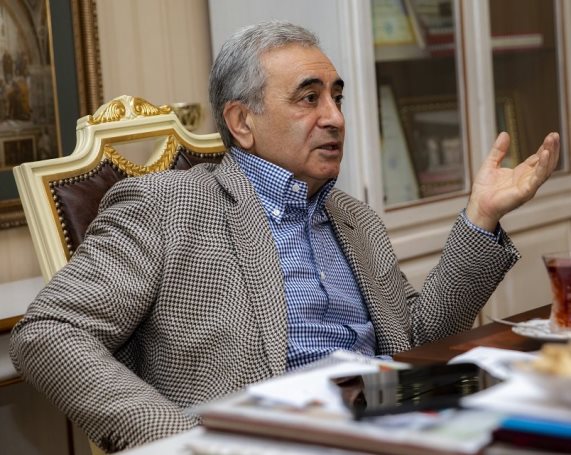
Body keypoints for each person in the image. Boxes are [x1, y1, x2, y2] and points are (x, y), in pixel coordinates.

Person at [10, 20, 559, 453]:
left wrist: (480, 216)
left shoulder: (354, 218)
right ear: (241, 122)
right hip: (264, 439)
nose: (335, 117)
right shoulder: (167, 206)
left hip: (389, 419)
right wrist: (178, 439)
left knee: (536, 410)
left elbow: (416, 340)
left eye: (337, 97)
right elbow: (50, 332)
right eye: (308, 98)